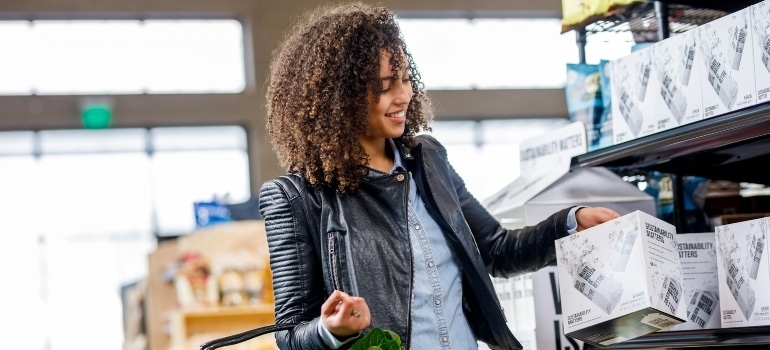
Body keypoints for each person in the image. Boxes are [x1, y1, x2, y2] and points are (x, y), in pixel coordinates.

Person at [258, 3, 621, 349]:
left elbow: (496, 250)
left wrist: (570, 224)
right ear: (339, 96)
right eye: (385, 86)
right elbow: (289, 334)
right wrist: (331, 330)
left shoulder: (428, 160)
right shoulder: (295, 198)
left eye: (404, 79)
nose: (403, 95)